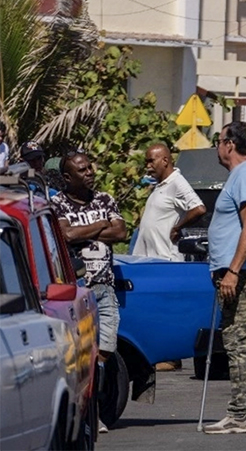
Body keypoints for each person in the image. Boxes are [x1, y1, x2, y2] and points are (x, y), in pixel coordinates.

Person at [51, 152, 127, 433]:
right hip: (76, 290)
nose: (89, 172)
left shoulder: (104, 199)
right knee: (79, 355)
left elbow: (120, 232)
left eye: (90, 167)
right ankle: (88, 413)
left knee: (105, 348)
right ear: (68, 177)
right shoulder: (57, 203)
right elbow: (65, 236)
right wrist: (100, 226)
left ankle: (90, 403)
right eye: (82, 170)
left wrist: (84, 231)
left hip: (104, 286)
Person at [203, 122, 246, 435]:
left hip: (241, 272)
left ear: (230, 144)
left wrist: (232, 270)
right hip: (237, 271)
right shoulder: (242, 176)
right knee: (242, 342)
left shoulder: (245, 175)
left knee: (237, 341)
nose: (217, 147)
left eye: (218, 141)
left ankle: (241, 414)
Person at [132, 143, 206, 261]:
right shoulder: (160, 185)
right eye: (146, 162)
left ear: (165, 161)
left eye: (151, 161)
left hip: (165, 259)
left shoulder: (177, 182)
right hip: (148, 259)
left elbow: (199, 209)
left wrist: (177, 228)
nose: (148, 166)